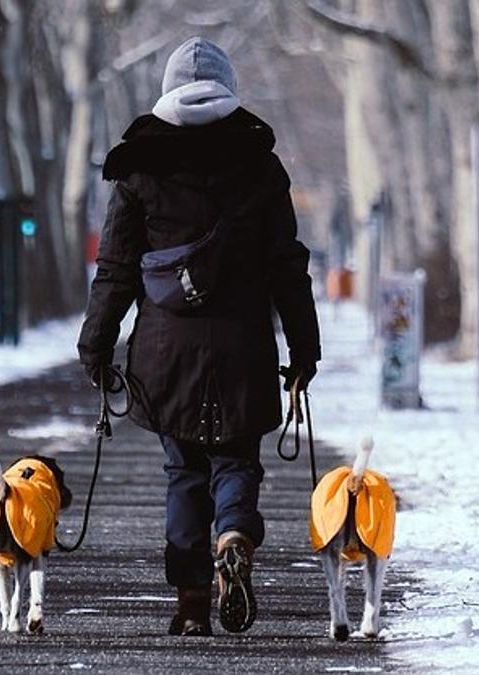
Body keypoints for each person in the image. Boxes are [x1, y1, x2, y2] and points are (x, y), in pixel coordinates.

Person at [77, 37, 320, 636]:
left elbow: (116, 268)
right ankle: (234, 533)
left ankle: (190, 602)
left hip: (166, 349)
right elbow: (287, 263)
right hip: (242, 342)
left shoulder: (140, 166)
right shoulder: (258, 164)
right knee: (236, 458)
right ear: (229, 86)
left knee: (183, 468)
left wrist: (97, 344)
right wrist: (304, 348)